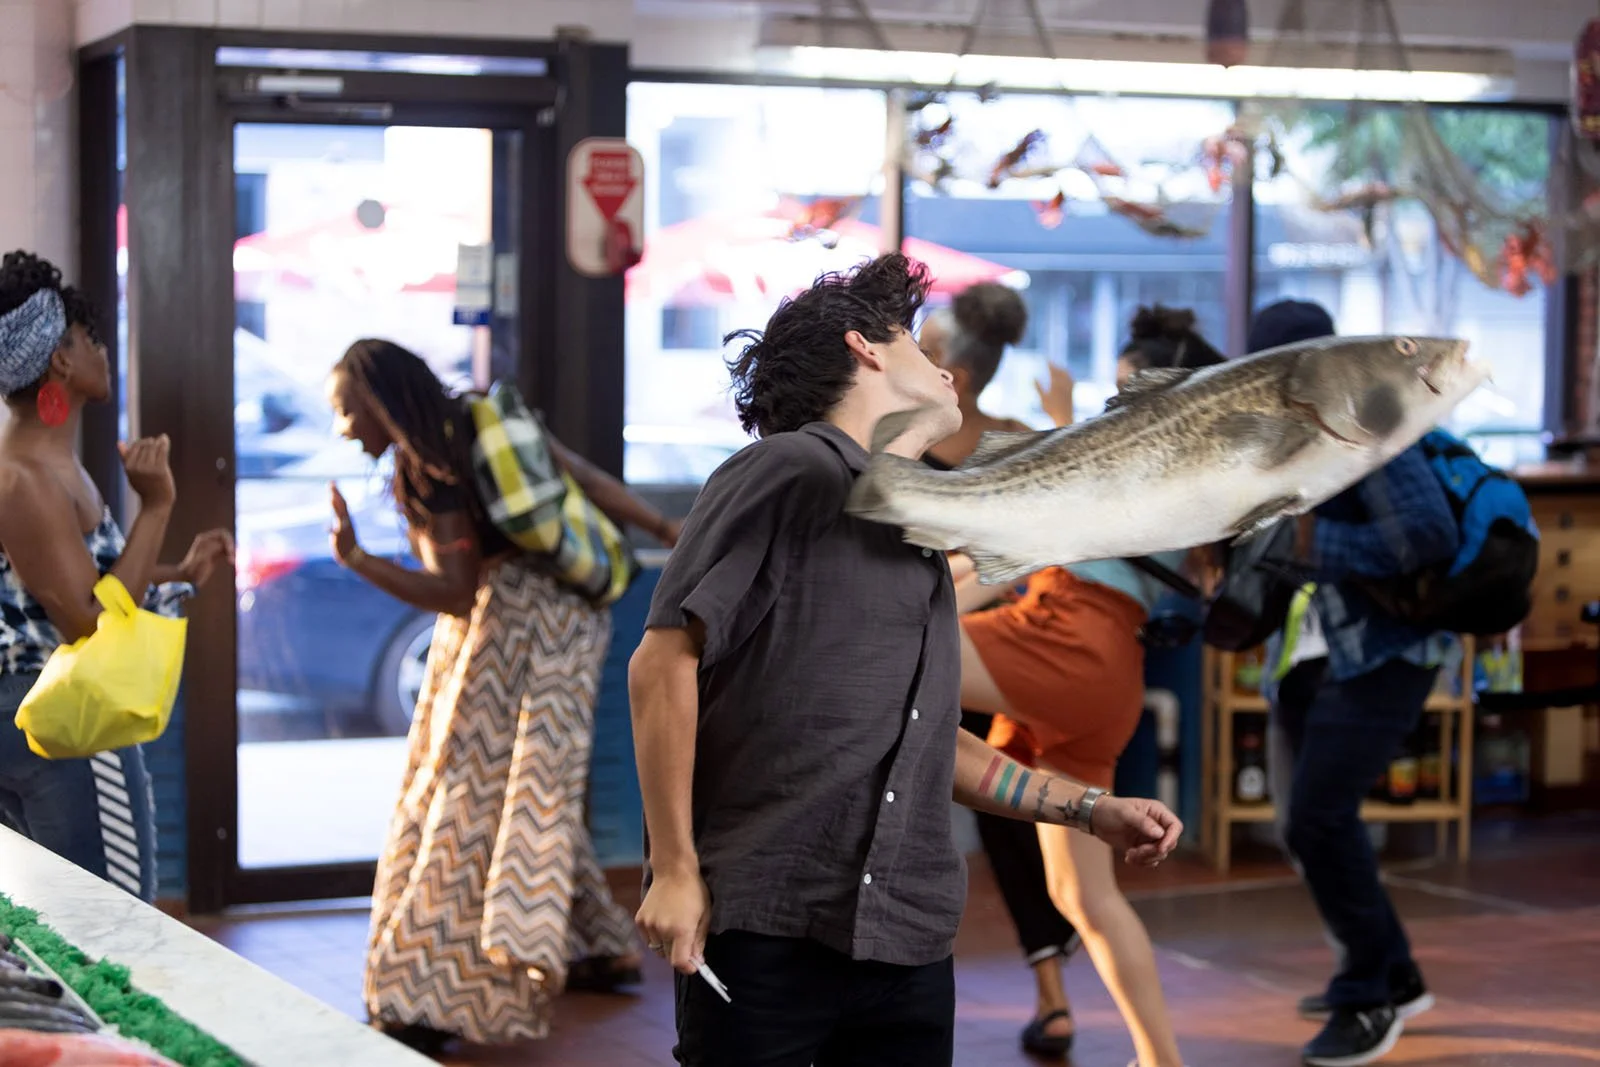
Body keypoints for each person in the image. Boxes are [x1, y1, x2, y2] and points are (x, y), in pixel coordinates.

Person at [627, 252, 1182, 1067]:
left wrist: (1090, 810)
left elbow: (930, 744)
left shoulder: (915, 533)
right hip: (771, 927)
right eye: (919, 344)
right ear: (867, 350)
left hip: (907, 938)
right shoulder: (790, 466)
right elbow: (662, 662)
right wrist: (673, 869)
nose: (944, 369)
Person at [326, 339, 682, 1054]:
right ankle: (600, 946)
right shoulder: (489, 416)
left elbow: (455, 594)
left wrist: (359, 560)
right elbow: (576, 473)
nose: (343, 428)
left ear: (378, 398)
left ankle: (426, 993)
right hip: (570, 619)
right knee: (529, 789)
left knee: (468, 800)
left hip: (510, 627)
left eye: (345, 411)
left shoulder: (429, 470)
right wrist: (670, 530)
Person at [951, 304, 1224, 1067]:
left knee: (894, 650)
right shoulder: (1193, 476)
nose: (1120, 406)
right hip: (1109, 673)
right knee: (1084, 897)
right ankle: (1159, 1058)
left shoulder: (1150, 462)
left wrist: (910, 603)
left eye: (1131, 390)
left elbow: (1022, 538)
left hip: (1068, 632)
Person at [1249, 300, 1455, 1067]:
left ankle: (1369, 993)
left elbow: (1427, 536)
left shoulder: (1372, 418)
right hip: (1315, 653)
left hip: (1383, 651)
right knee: (1304, 820)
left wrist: (1299, 541)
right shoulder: (1301, 428)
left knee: (1317, 818)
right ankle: (1394, 972)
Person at [0, 249, 233, 901]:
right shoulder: (24, 477)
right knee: (115, 926)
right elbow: (89, 622)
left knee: (66, 924)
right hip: (58, 717)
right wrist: (157, 506)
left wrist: (174, 572)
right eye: (90, 337)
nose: (104, 349)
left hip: (42, 709)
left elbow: (84, 580)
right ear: (60, 361)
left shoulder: (47, 462)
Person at [920, 282, 1083, 1059]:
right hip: (996, 654)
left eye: (920, 347)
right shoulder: (1017, 438)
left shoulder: (896, 443)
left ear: (947, 366)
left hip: (953, 656)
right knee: (1008, 821)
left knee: (998, 824)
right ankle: (1053, 996)